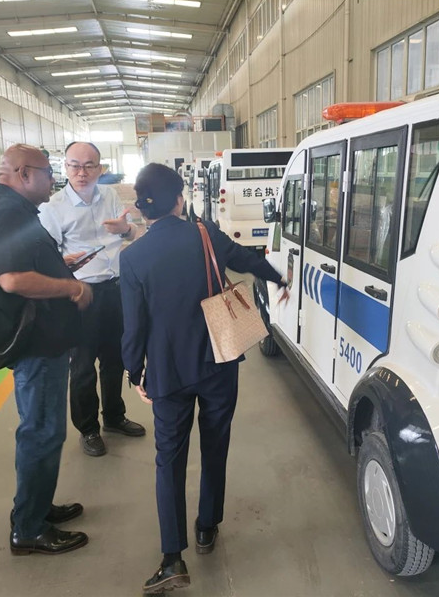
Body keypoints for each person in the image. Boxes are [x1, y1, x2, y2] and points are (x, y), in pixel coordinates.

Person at [119, 163, 289, 594]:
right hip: (219, 360)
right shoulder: (205, 233)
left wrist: (135, 370)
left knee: (169, 459)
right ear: (180, 200)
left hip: (168, 372)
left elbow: (133, 327)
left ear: (143, 209)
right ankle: (207, 527)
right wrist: (279, 278)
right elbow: (246, 260)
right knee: (215, 443)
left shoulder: (132, 257)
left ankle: (172, 559)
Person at [0, 144, 92, 555]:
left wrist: (60, 266)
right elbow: (12, 279)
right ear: (24, 174)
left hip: (42, 341)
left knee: (42, 430)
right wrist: (71, 287)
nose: (53, 179)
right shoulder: (8, 212)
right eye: (48, 172)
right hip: (38, 346)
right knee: (41, 433)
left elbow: (21, 265)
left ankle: (36, 507)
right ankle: (28, 528)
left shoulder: (12, 208)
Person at [39, 142, 146, 457]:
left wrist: (125, 229)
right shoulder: (53, 207)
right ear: (65, 168)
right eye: (74, 165)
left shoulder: (109, 196)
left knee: (115, 359)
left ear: (100, 168)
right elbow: (45, 257)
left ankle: (114, 416)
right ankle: (88, 429)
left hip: (115, 289)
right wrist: (64, 264)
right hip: (80, 295)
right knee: (83, 366)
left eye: (89, 166)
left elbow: (130, 234)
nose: (81, 172)